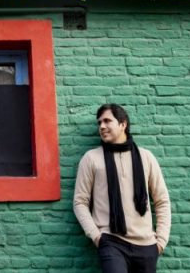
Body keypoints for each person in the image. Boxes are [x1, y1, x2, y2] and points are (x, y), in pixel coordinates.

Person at [73, 103, 171, 273]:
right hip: (112, 242)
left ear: (123, 124)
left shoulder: (146, 157)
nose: (102, 126)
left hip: (146, 245)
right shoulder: (91, 159)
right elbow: (80, 202)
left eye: (107, 121)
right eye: (99, 123)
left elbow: (162, 201)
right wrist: (96, 237)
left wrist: (160, 242)